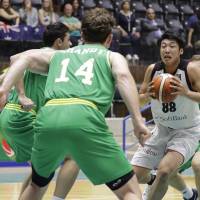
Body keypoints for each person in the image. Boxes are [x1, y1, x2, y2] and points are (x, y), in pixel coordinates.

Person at [0, 8, 150, 200]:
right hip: (84, 116)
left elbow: (22, 58)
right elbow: (123, 77)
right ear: (109, 39)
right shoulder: (111, 56)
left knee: (37, 185)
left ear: (82, 35)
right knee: (129, 191)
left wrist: (5, 88)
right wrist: (138, 121)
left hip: (48, 118)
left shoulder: (59, 56)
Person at [0, 22, 79, 200]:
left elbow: (12, 63)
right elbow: (13, 60)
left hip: (11, 117)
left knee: (38, 172)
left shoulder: (34, 54)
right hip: (24, 117)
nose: (71, 44)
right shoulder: (53, 56)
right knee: (72, 156)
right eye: (68, 40)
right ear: (59, 42)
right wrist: (21, 94)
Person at [131, 30, 200, 200]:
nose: (166, 50)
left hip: (186, 131)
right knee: (133, 177)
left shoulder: (190, 69)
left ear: (181, 51)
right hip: (161, 129)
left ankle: (158, 183)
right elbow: (138, 100)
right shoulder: (152, 69)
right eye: (163, 46)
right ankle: (156, 182)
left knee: (164, 171)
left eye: (171, 46)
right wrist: (148, 95)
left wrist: (185, 93)